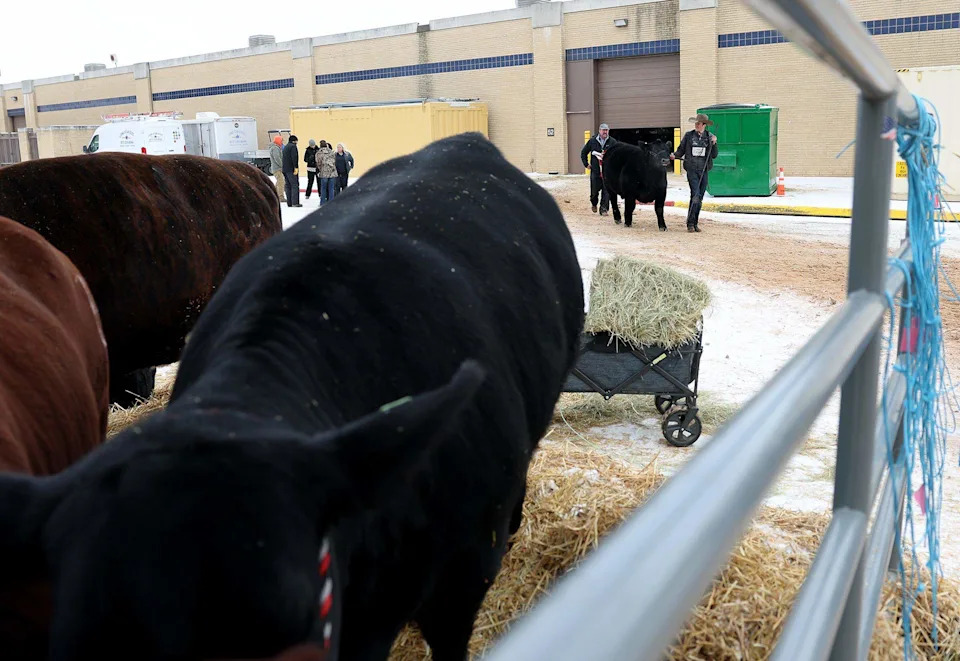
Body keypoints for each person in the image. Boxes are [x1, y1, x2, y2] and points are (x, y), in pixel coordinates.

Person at [670, 112, 718, 233]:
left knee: (700, 197)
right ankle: (690, 223)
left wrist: (714, 143)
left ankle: (695, 223)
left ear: (704, 125)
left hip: (703, 171)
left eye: (699, 123)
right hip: (692, 170)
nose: (697, 125)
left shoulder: (709, 137)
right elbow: (681, 150)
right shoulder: (689, 136)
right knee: (695, 195)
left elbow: (714, 155)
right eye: (696, 123)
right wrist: (674, 155)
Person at [580, 123, 617, 215]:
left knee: (607, 191)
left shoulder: (612, 142)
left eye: (606, 130)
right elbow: (583, 152)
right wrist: (586, 164)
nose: (605, 132)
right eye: (603, 130)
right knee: (594, 192)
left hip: (607, 172)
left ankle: (604, 209)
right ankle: (594, 203)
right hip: (595, 172)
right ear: (599, 131)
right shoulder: (592, 141)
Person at [282, 134, 301, 208]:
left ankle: (289, 202)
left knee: (288, 185)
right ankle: (295, 202)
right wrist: (296, 167)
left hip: (285, 169)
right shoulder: (293, 147)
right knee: (294, 185)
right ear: (294, 141)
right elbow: (294, 157)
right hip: (291, 169)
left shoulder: (286, 147)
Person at [317, 140, 338, 205]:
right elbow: (334, 161)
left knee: (323, 188)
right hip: (332, 173)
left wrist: (320, 170)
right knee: (331, 189)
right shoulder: (331, 152)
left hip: (324, 173)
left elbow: (318, 163)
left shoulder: (319, 153)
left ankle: (322, 202)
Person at [269, 135, 285, 204]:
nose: (282, 142)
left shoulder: (276, 147)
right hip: (277, 168)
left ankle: (272, 194)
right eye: (281, 141)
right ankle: (280, 197)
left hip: (276, 168)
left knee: (279, 181)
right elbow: (277, 158)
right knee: (281, 182)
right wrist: (282, 166)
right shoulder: (275, 148)